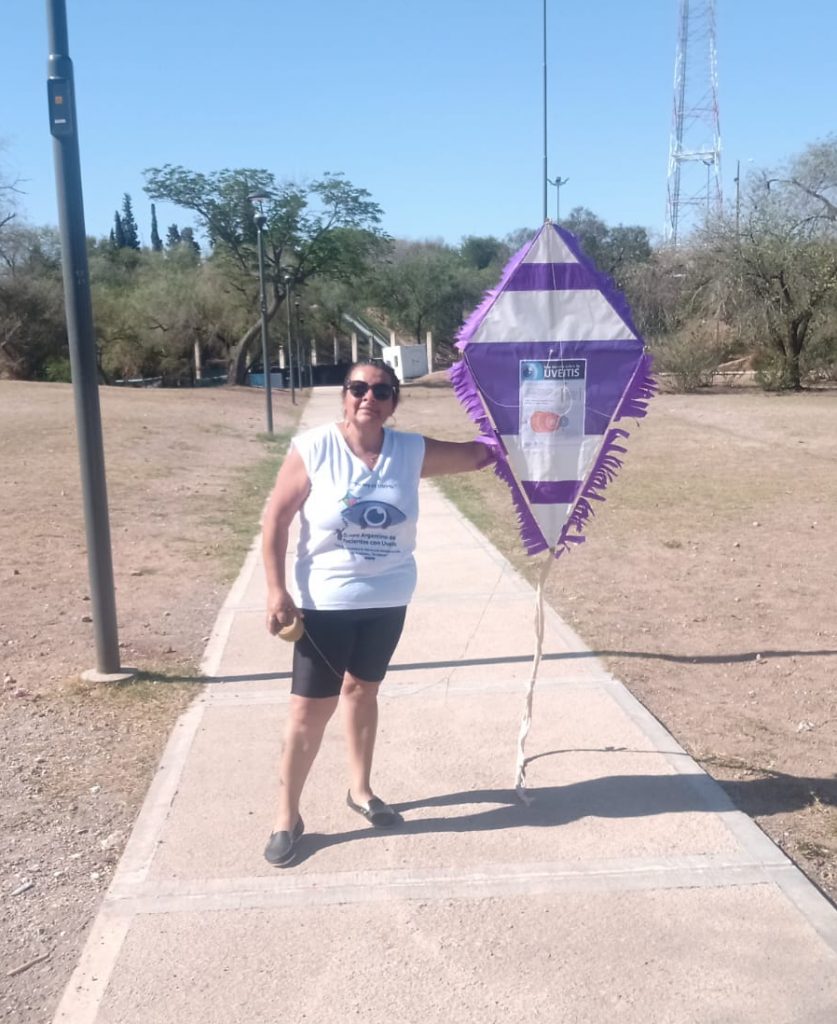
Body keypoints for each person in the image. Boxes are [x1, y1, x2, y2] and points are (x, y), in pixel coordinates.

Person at [262, 357, 497, 866]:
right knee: (309, 711)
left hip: (387, 599)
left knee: (363, 690)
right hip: (325, 602)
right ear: (344, 395)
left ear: (394, 402)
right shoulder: (315, 447)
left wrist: (532, 421)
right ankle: (287, 816)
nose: (369, 397)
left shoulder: (410, 451)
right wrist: (276, 590)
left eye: (382, 391)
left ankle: (361, 790)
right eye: (358, 388)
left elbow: (479, 456)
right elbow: (276, 519)